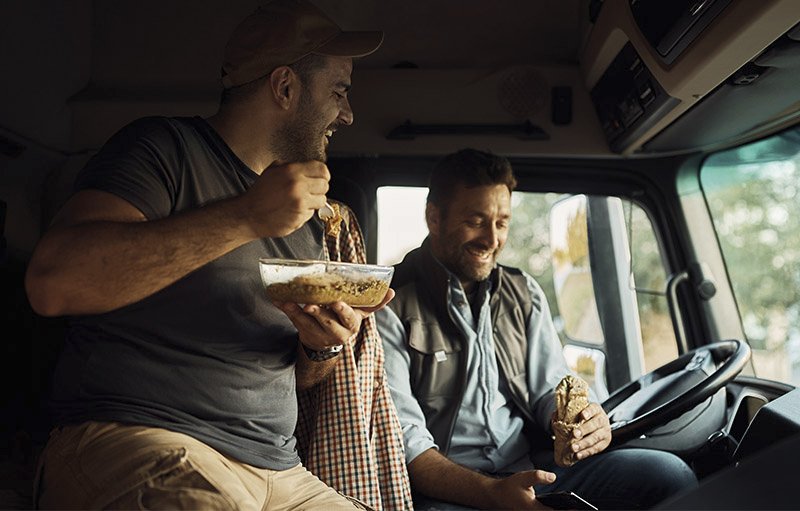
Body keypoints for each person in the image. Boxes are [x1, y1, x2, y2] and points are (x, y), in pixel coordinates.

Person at [24, 1, 411, 509]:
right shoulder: (162, 149)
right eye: (339, 92)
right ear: (285, 87)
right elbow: (54, 284)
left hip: (280, 469)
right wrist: (247, 215)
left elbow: (291, 372)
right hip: (143, 437)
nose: (348, 113)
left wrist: (321, 347)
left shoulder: (309, 216)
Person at [376, 148, 699, 510]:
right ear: (434, 218)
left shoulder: (523, 291)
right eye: (476, 221)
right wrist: (491, 495)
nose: (492, 239)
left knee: (669, 475)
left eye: (502, 222)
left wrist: (584, 421)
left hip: (531, 470)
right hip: (447, 490)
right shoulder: (388, 303)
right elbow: (406, 443)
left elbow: (550, 389)